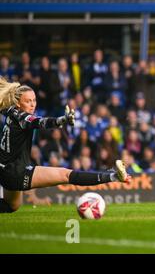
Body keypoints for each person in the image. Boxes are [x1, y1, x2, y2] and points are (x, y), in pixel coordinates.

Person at [0, 77, 130, 213]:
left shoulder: (9, 110)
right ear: (18, 104)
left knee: (12, 206)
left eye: (34, 100)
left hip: (5, 170)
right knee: (65, 175)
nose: (33, 104)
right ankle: (113, 176)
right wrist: (62, 120)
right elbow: (40, 122)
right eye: (28, 101)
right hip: (16, 172)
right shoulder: (23, 117)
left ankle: (114, 176)